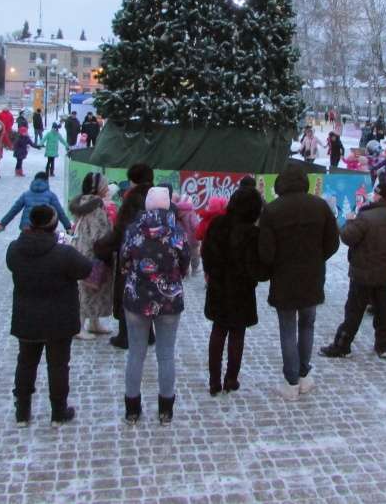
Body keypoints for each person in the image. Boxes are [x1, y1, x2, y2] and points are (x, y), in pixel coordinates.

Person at [258, 164, 339, 400]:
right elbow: (333, 243)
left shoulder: (272, 211)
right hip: (312, 276)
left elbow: (266, 252)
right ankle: (304, 374)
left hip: (284, 278)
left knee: (287, 328)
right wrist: (315, 258)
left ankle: (291, 381)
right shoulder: (320, 206)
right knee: (307, 324)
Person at [7, 205, 93, 426]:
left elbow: (12, 266)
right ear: (53, 225)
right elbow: (86, 269)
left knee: (25, 363)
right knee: (58, 365)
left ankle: (22, 412)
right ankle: (58, 411)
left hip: (26, 317)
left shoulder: (15, 249)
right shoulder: (63, 253)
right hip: (59, 318)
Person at [121, 187, 190, 424]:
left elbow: (124, 259)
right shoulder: (176, 230)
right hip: (169, 301)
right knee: (166, 355)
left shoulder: (133, 229)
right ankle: (165, 409)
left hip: (136, 299)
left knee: (136, 354)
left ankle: (132, 408)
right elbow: (185, 261)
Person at [319, 182, 386, 359]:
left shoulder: (366, 216)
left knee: (354, 310)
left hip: (362, 271)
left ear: (379, 196)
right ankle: (383, 345)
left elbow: (348, 237)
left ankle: (342, 345)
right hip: (384, 272)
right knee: (383, 309)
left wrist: (349, 221)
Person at [203, 187, 264, 394]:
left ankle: (214, 381)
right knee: (237, 334)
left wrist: (212, 273)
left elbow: (206, 254)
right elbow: (258, 266)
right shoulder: (253, 233)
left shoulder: (217, 224)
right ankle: (231, 379)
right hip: (242, 290)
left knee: (218, 331)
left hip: (218, 287)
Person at [94, 163, 154, 349]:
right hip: (154, 255)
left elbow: (122, 230)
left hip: (132, 255)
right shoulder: (157, 195)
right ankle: (149, 334)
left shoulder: (133, 198)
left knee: (127, 294)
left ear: (133, 180)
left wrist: (101, 246)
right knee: (148, 293)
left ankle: (125, 336)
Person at [68, 172, 115, 338]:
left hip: (81, 248)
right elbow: (100, 232)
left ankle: (94, 322)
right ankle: (79, 326)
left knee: (92, 287)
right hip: (92, 252)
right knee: (88, 288)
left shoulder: (82, 202)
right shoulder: (96, 206)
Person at [0, 171, 73, 233]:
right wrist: (68, 227)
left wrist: (3, 224)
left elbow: (14, 210)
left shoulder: (26, 194)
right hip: (44, 226)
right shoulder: (51, 195)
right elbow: (60, 212)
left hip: (27, 227)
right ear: (47, 181)